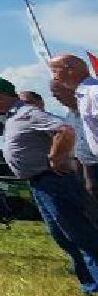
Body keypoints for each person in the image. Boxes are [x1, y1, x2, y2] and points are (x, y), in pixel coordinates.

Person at [0, 75, 98, 294]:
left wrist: (55, 158)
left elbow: (65, 130)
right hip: (40, 183)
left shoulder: (28, 113)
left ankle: (94, 282)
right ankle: (89, 284)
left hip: (53, 181)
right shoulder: (14, 116)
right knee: (62, 235)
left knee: (79, 233)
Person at [48, 53, 98, 202]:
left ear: (70, 70)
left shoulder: (94, 93)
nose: (54, 77)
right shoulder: (83, 96)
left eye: (55, 71)